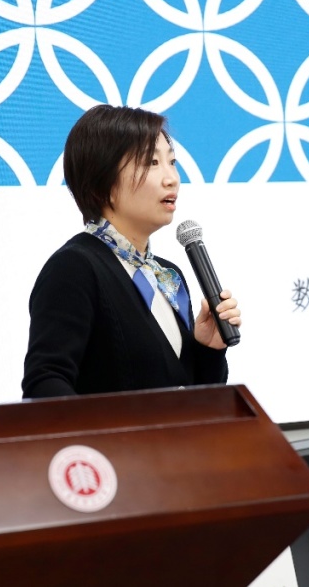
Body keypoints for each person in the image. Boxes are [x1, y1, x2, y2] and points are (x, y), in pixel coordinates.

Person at [21, 104, 241, 399]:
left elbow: (190, 400)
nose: (172, 178)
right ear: (102, 183)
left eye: (172, 162)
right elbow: (45, 384)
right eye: (152, 162)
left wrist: (207, 350)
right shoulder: (75, 267)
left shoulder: (168, 276)